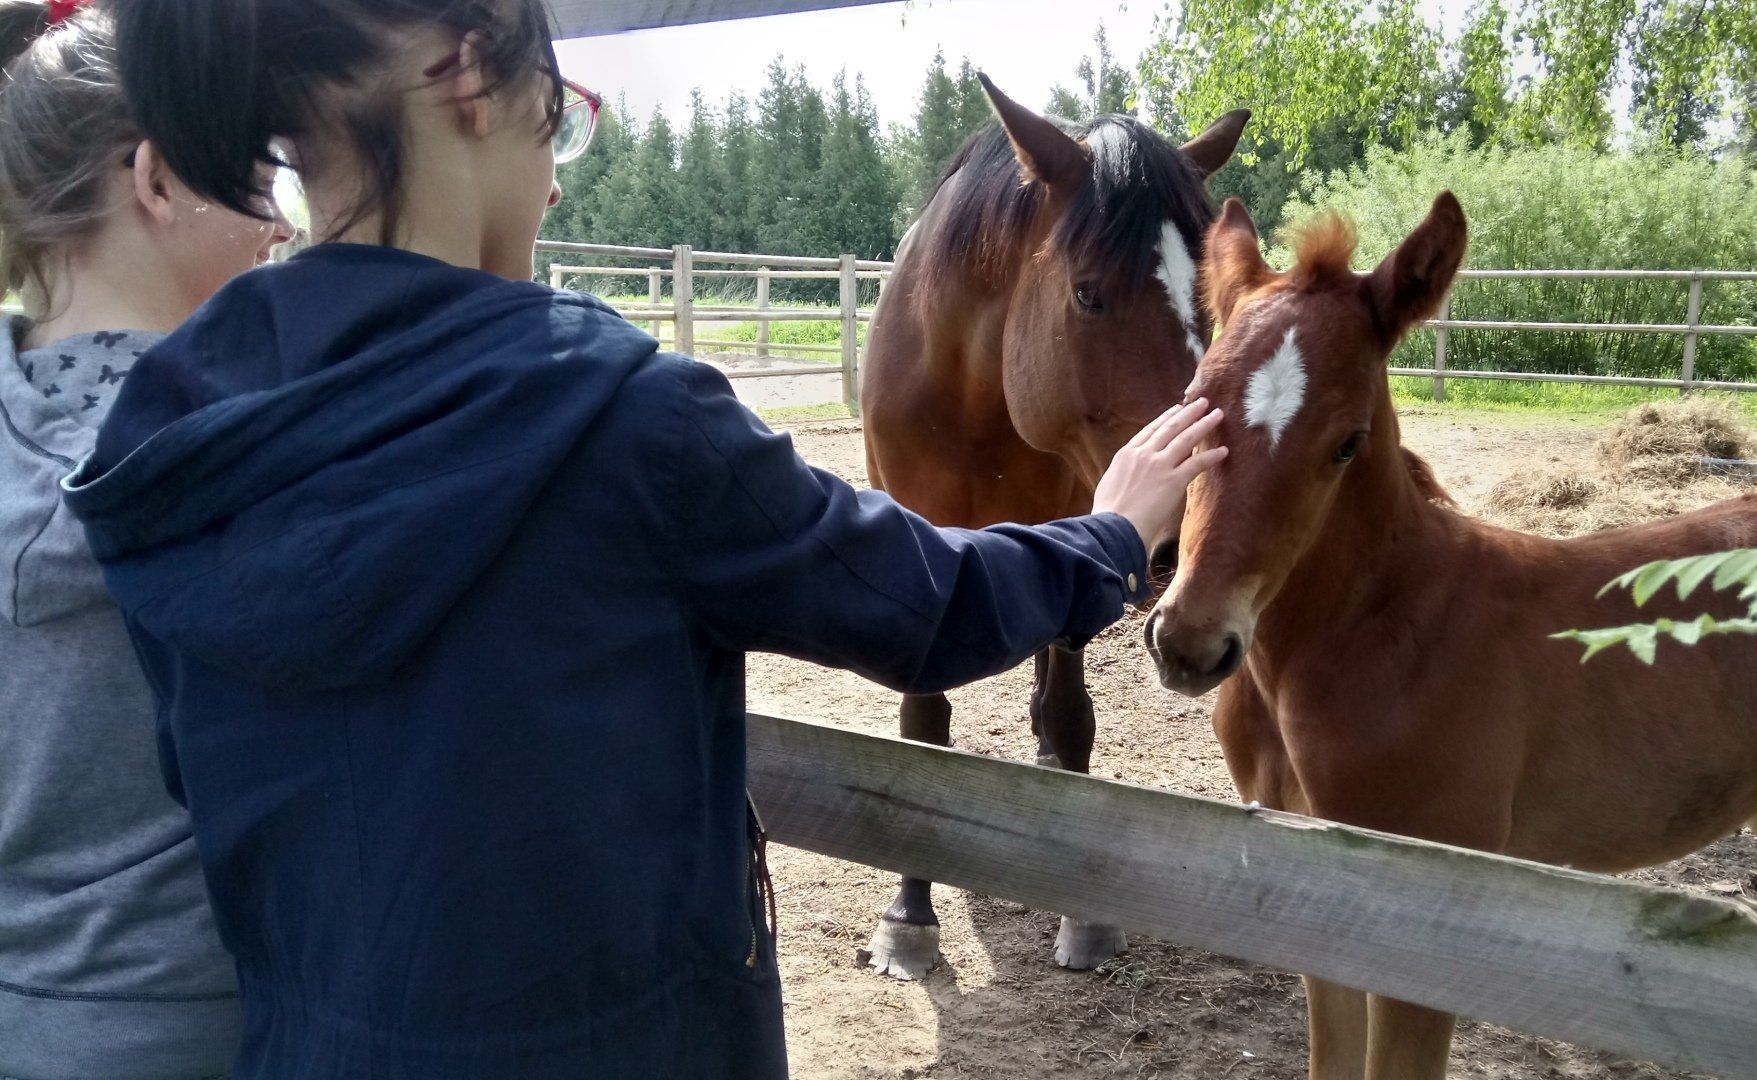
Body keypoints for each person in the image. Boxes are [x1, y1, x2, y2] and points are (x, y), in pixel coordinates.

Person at [71, 1, 1228, 1076]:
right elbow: (926, 606)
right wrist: (1113, 533)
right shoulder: (629, 423)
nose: (555, 186)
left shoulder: (166, 441)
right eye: (559, 123)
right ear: (468, 74)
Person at [0, 2, 294, 1078]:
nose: (281, 222)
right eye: (259, 177)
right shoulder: (253, 453)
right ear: (160, 179)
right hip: (206, 1024)